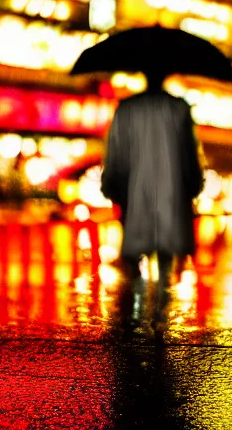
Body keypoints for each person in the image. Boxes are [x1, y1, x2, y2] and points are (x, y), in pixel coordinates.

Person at [100, 70, 204, 327]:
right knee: (166, 248)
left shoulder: (127, 107)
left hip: (133, 187)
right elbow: (189, 151)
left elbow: (115, 148)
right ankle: (159, 307)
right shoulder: (179, 108)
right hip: (170, 187)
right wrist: (193, 182)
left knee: (134, 248)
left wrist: (110, 181)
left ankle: (134, 307)